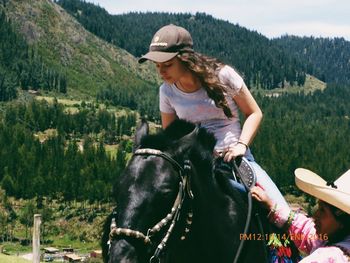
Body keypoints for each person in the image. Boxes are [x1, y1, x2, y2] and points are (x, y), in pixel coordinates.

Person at [138, 24, 287, 207]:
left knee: (278, 207)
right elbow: (171, 134)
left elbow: (254, 113)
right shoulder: (166, 91)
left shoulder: (224, 75)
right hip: (195, 163)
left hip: (234, 159)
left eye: (168, 65)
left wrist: (241, 146)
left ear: (185, 59)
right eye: (157, 65)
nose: (161, 72)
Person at [251, 168, 350, 262]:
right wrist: (272, 205)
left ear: (342, 221)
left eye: (323, 211)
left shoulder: (327, 258)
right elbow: (307, 230)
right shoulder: (338, 238)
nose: (315, 216)